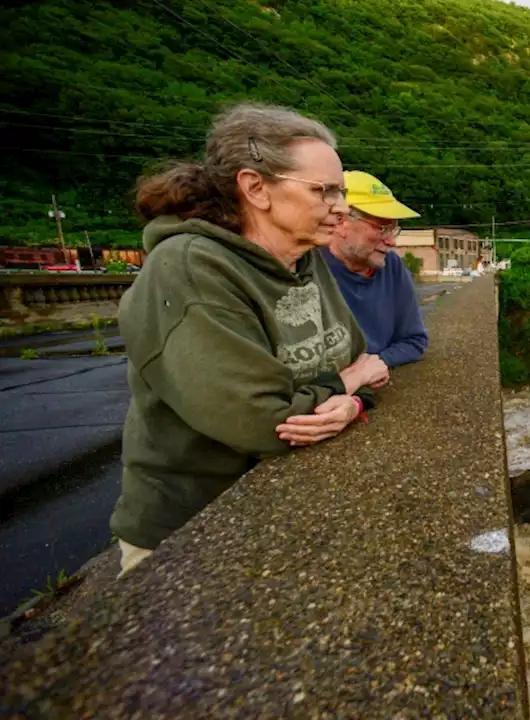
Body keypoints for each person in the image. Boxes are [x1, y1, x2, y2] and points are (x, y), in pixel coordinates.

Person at [110, 103, 389, 576]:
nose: (341, 207)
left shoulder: (305, 259)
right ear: (255, 188)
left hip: (286, 509)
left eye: (339, 191)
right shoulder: (189, 268)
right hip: (191, 536)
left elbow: (364, 363)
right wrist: (344, 386)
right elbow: (264, 420)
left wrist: (355, 401)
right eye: (324, 191)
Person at [321, 171, 428, 368]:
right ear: (341, 222)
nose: (391, 241)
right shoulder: (308, 267)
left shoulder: (392, 266)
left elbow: (414, 340)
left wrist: (376, 364)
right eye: (382, 228)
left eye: (394, 229)